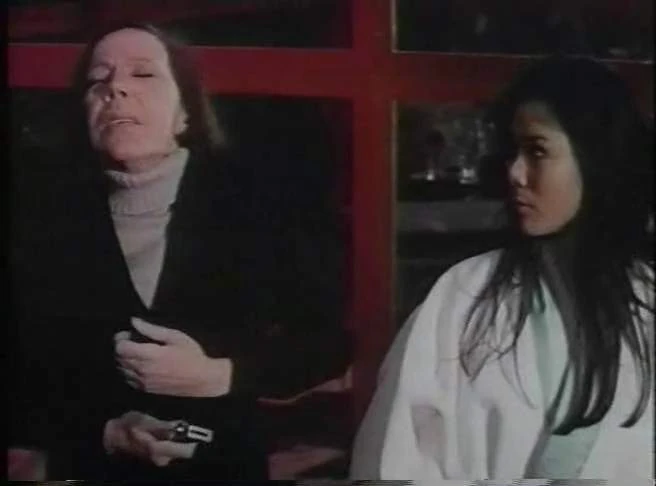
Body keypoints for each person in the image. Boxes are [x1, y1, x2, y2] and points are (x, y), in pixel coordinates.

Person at [9, 22, 349, 480]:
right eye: (97, 80)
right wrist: (107, 432)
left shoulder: (261, 206)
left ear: (185, 111)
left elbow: (327, 345)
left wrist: (221, 376)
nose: (115, 89)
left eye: (143, 74)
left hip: (224, 470)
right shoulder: (39, 219)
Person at [350, 57, 654, 480]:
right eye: (513, 151)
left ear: (597, 158)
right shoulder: (464, 295)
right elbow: (394, 456)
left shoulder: (647, 298)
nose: (515, 173)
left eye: (537, 151)